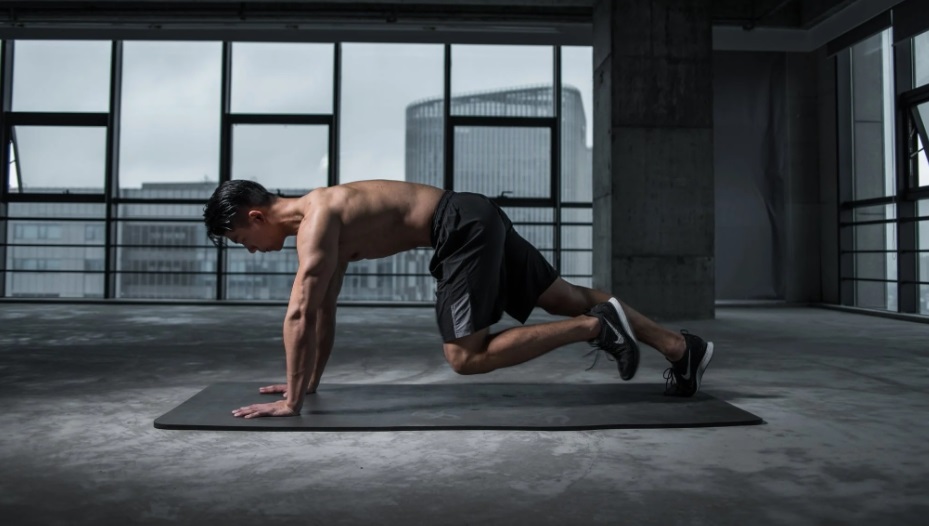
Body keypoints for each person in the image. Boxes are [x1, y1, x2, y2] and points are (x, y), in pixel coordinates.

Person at [202, 179, 714, 419]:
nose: (249, 251)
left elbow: (298, 312)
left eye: (241, 241)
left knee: (466, 356)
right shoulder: (321, 217)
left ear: (255, 217)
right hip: (472, 213)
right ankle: (679, 348)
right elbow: (323, 309)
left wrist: (292, 404)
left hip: (459, 227)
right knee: (565, 295)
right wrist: (307, 383)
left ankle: (596, 328)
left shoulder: (316, 223)